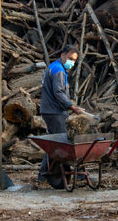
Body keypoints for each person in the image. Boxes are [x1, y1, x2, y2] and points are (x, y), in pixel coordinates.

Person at [38, 45, 85, 181]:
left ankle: (43, 174)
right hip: (54, 112)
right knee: (63, 142)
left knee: (55, 143)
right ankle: (76, 172)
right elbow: (58, 92)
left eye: (74, 60)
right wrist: (71, 107)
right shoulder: (58, 70)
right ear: (63, 55)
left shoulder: (56, 67)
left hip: (52, 110)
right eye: (70, 58)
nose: (72, 62)